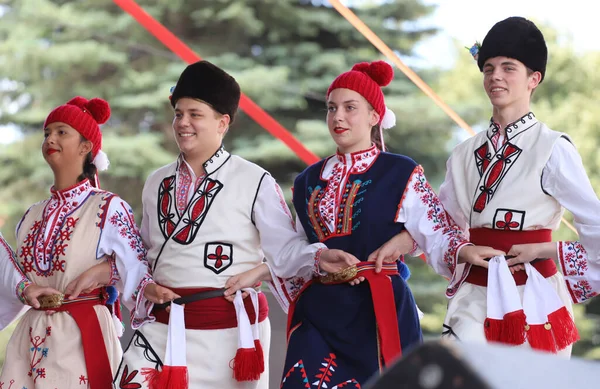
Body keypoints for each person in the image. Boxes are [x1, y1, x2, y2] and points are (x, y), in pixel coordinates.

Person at [225, 60, 501, 387]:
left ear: (374, 117)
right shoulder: (307, 181)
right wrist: (316, 257)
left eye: (350, 107)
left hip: (379, 310)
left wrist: (462, 250)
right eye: (331, 108)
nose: (338, 116)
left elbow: (437, 229)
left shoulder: (400, 172)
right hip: (319, 310)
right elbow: (291, 250)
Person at [115, 60, 358, 389]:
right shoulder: (156, 182)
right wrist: (145, 285)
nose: (183, 123)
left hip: (228, 338)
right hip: (162, 331)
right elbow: (143, 253)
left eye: (195, 114)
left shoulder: (254, 180)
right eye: (178, 114)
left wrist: (318, 257)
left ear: (223, 122)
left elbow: (284, 249)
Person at [439, 17, 600, 356]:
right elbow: (441, 225)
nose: (495, 76)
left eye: (508, 67)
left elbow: (595, 225)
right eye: (488, 68)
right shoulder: (463, 153)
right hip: (474, 294)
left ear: (533, 78)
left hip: (536, 298)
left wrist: (547, 250)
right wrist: (462, 250)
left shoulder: (553, 148)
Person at [0, 96, 169, 388]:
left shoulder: (108, 207)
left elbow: (137, 267)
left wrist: (111, 273)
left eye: (61, 131)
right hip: (31, 338)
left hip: (83, 336)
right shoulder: (31, 215)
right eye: (46, 133)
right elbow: (10, 276)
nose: (50, 138)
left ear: (85, 146)